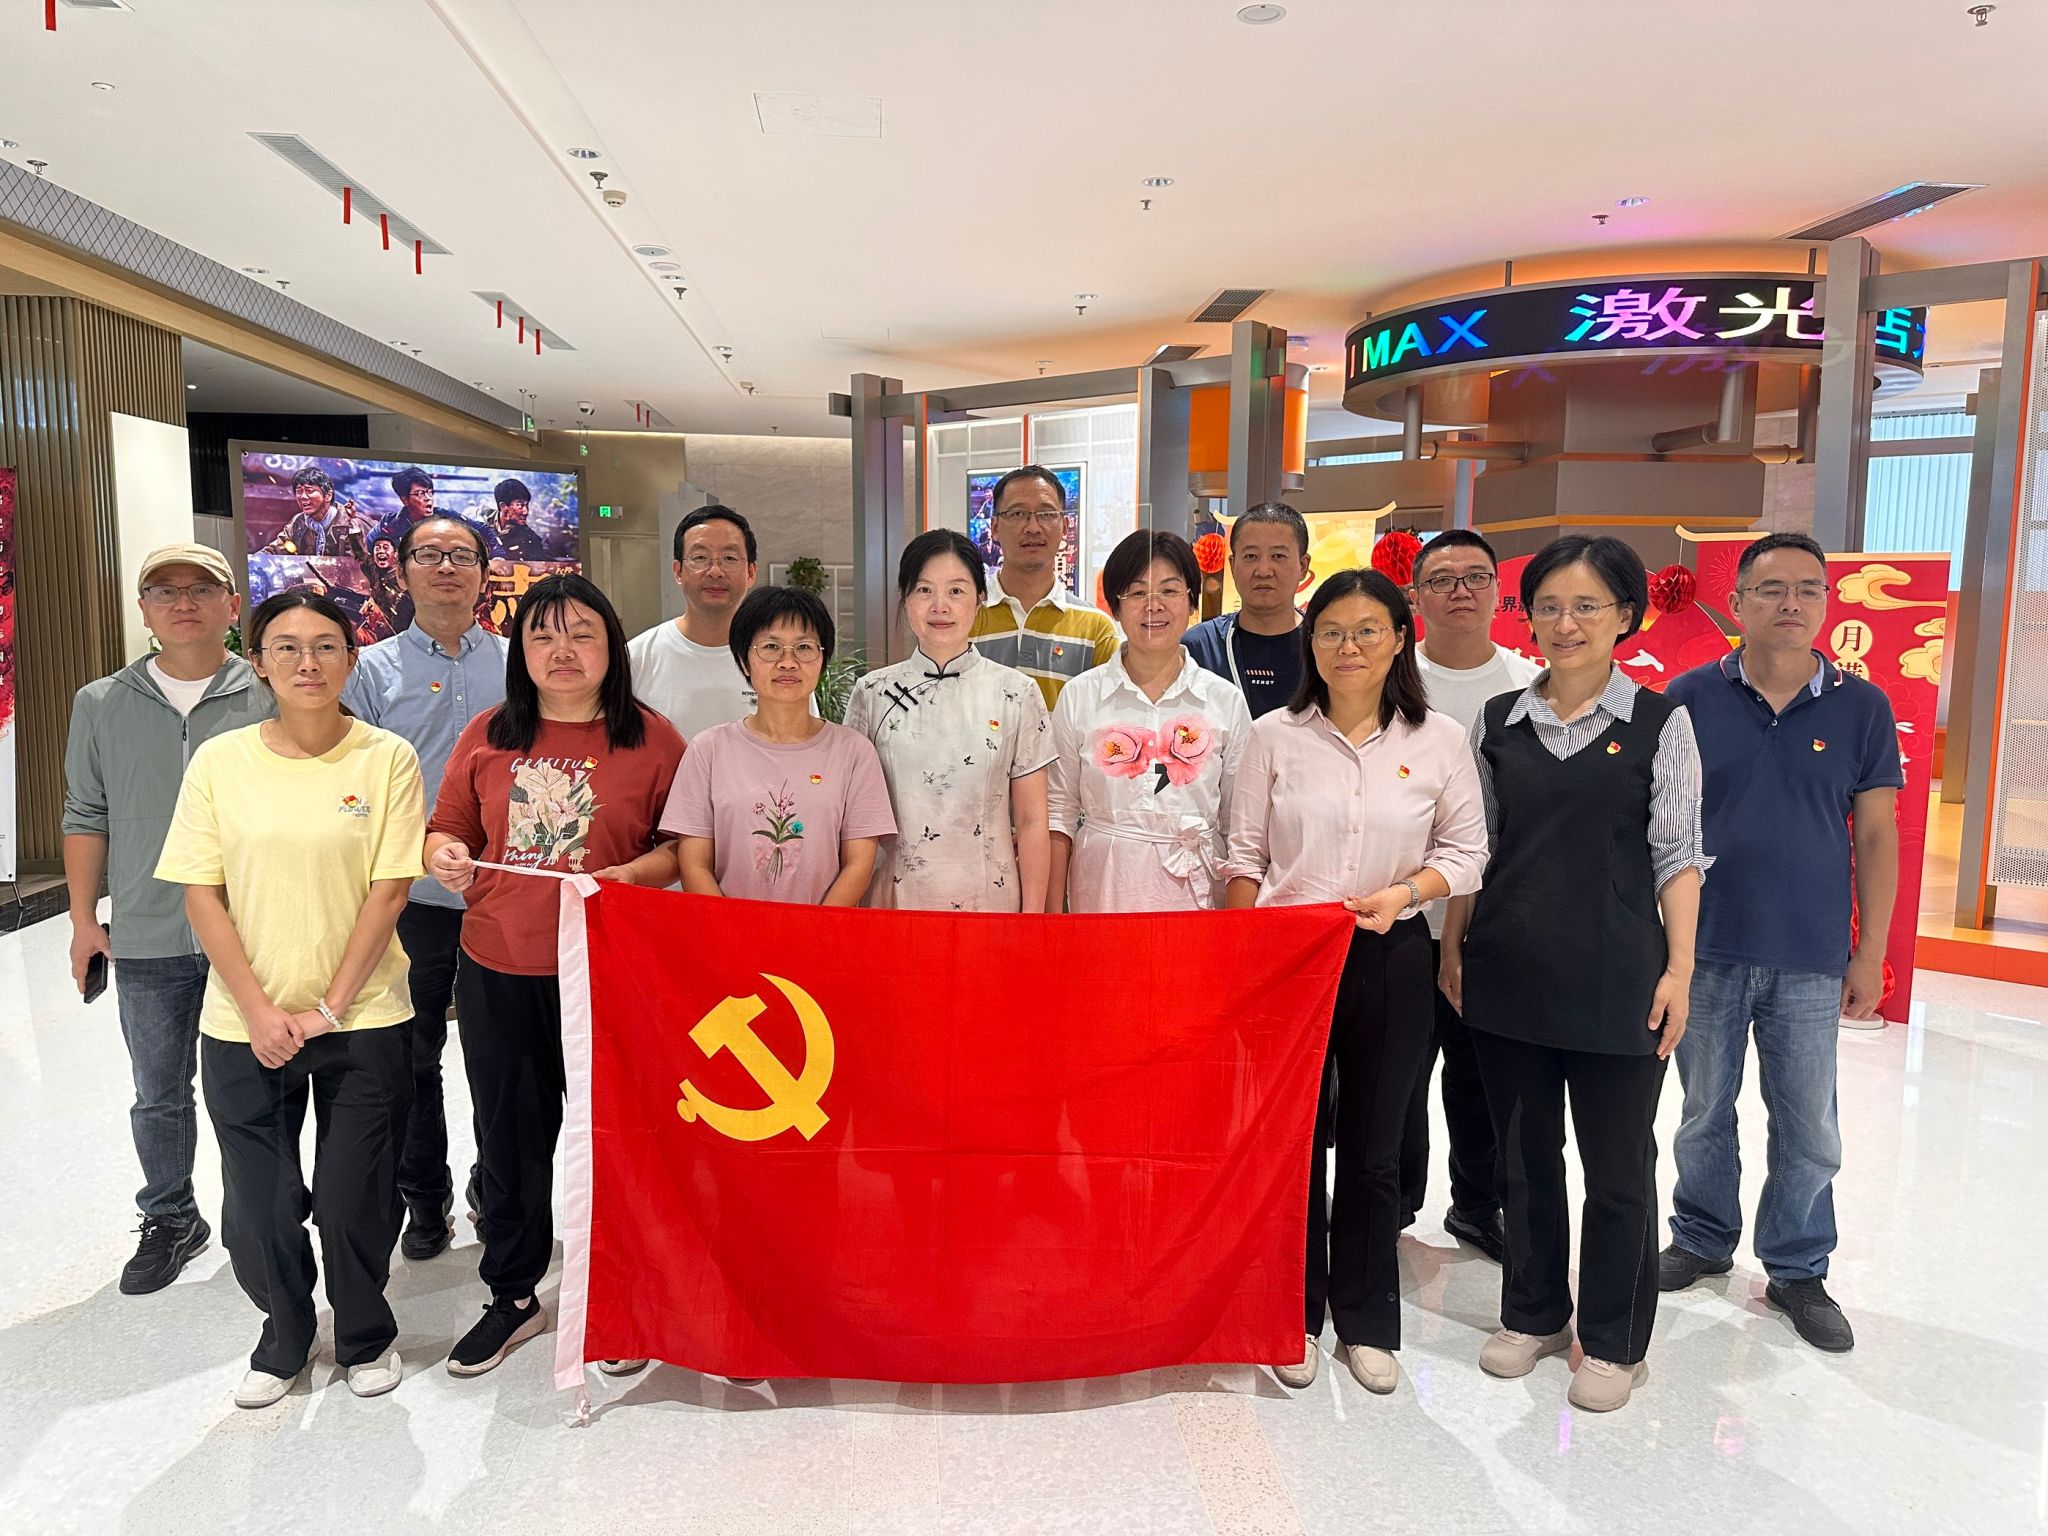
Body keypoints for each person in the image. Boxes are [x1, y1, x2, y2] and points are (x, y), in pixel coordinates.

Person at [1446, 534, 1709, 1414]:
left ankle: (1615, 1337)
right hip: (1510, 970)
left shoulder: (1663, 724)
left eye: (1587, 606)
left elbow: (1678, 854)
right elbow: (1474, 850)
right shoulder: (1497, 723)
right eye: (1549, 607)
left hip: (1620, 978)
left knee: (1618, 1167)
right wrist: (1453, 948)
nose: (1566, 624)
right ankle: (1534, 1314)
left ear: (1624, 616)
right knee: (1525, 1160)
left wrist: (1679, 969)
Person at [154, 590, 424, 1408]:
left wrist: (328, 1009)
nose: (307, 663)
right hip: (246, 1022)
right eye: (287, 647)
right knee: (261, 1207)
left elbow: (389, 890)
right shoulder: (220, 762)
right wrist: (259, 1010)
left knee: (353, 1198)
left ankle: (366, 1333)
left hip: (364, 1016)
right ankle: (284, 1334)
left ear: (351, 658)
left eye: (325, 646)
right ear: (259, 662)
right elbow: (201, 892)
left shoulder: (386, 758)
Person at [1224, 568, 1486, 1396]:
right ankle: (1293, 1315)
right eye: (1332, 631)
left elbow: (1467, 852)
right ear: (1312, 643)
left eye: (1369, 629)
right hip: (1288, 957)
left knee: (1376, 1146)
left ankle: (1368, 1320)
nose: (1350, 646)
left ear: (1399, 639)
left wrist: (1405, 894)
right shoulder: (1273, 735)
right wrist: (1246, 952)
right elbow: (1242, 855)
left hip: (1389, 949)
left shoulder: (1438, 738)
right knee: (1294, 1142)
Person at [426, 573, 685, 1378]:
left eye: (581, 633)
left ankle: (622, 1290)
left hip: (610, 971)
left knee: (618, 1139)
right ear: (521, 651)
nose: (561, 650)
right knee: (509, 1137)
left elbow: (682, 848)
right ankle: (514, 1294)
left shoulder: (653, 739)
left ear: (612, 646)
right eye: (542, 634)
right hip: (500, 965)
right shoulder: (490, 732)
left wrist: (631, 876)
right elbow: (447, 829)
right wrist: (444, 858)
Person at [1657, 531, 1901, 1353]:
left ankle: (1798, 1266)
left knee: (1808, 1123)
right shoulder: (1688, 698)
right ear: (1737, 604)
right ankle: (1701, 1236)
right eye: (1771, 589)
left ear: (1827, 603)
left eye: (1808, 589)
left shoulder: (1862, 706)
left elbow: (1876, 835)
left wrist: (1869, 952)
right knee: (1703, 1109)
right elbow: (1660, 822)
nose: (1791, 603)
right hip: (1704, 947)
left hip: (1809, 952)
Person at [63, 543, 276, 1295]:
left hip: (251, 931)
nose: (183, 602)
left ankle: (265, 1214)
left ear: (231, 605)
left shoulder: (268, 693)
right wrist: (84, 920)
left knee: (257, 1087)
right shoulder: (101, 702)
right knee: (158, 1090)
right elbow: (86, 813)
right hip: (149, 931)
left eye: (202, 589)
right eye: (165, 590)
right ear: (144, 609)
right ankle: (170, 1216)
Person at [341, 515, 509, 1262]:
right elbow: (356, 785)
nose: (447, 567)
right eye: (430, 555)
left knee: (502, 1056)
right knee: (411, 1056)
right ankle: (423, 1196)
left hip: (503, 898)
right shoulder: (371, 672)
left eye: (462, 556)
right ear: (402, 570)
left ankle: (494, 1186)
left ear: (484, 573)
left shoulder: (521, 664)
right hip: (411, 901)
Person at [1398, 529, 1540, 1262]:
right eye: (1442, 579)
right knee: (1393, 1077)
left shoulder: (1529, 685)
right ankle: (1391, 1203)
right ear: (1415, 596)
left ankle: (1479, 1206)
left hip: (1491, 923)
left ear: (1497, 592)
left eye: (1476, 577)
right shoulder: (1391, 677)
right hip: (1396, 917)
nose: (1460, 591)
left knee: (1482, 1077)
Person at [844, 529, 1053, 911]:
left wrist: (1033, 918)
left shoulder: (1016, 693)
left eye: (956, 591)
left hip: (991, 903)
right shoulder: (872, 693)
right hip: (894, 902)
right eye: (924, 590)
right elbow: (854, 820)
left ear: (980, 598)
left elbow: (1032, 820)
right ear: (905, 598)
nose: (939, 606)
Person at [1045, 529, 1250, 913]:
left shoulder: (1225, 701)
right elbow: (1059, 813)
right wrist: (1052, 914)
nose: (1154, 606)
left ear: (1191, 601)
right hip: (1104, 889)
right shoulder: (1080, 696)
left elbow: (1239, 825)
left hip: (1196, 895)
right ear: (1115, 607)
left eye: (1170, 591)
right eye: (1137, 593)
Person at [665, 585, 895, 906]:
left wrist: (813, 929)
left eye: (804, 647)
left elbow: (858, 863)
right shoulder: (708, 750)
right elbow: (694, 863)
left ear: (822, 659)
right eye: (771, 647)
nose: (788, 662)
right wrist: (731, 930)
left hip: (821, 932)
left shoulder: (854, 752)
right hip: (728, 932)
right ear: (744, 660)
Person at [969, 466, 1118, 709]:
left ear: (1065, 526)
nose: (1033, 527)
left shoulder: (1096, 629)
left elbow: (1106, 721)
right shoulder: (966, 618)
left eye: (1046, 514)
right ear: (994, 527)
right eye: (1017, 513)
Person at [627, 504, 766, 741]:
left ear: (751, 572)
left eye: (729, 558)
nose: (715, 571)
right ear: (678, 571)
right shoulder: (636, 658)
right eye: (700, 558)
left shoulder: (776, 658)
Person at [1182, 501, 1312, 718]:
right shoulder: (1200, 646)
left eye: (1278, 556)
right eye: (1251, 556)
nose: (1263, 571)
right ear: (1233, 565)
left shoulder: (1324, 643)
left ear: (1303, 566)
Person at [261, 465, 371, 565]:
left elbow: (370, 562)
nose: (303, 496)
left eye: (309, 490)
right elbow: (276, 549)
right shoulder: (299, 522)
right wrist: (256, 560)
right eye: (299, 491)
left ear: (328, 495)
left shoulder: (355, 523)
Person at [491, 478, 556, 564]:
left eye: (526, 505)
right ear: (503, 507)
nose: (526, 512)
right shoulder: (482, 527)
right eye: (520, 505)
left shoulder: (530, 539)